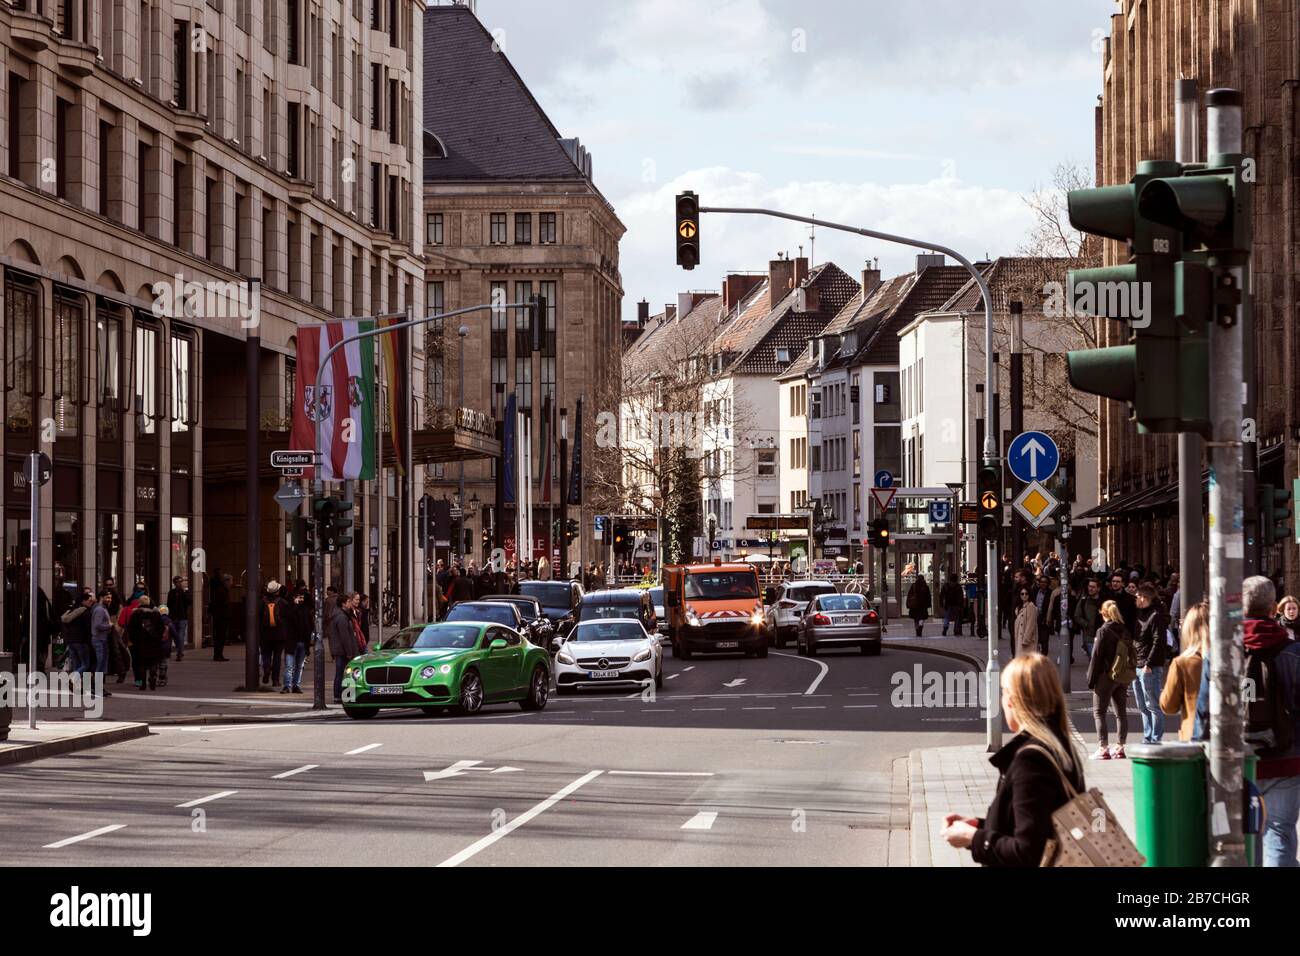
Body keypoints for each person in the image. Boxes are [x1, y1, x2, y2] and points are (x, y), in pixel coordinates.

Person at [940, 653, 1084, 866]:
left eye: (1003, 692)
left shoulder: (1031, 760)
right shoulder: (1058, 747)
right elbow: (1037, 826)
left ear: (1013, 700)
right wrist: (979, 827)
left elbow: (1029, 851)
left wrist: (974, 837)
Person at [1086, 599, 1132, 759]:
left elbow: (1096, 657)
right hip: (1121, 676)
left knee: (1099, 712)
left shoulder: (1103, 631)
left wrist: (1091, 679)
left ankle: (1103, 748)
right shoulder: (1124, 629)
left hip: (1105, 676)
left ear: (1104, 613)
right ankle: (1120, 747)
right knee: (1121, 713)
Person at [1160, 600, 1206, 742]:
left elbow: (1168, 706)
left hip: (1195, 737)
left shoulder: (1183, 663)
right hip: (1230, 741)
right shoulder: (1234, 659)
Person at [1131, 583, 1170, 744]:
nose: (1136, 599)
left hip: (1150, 666)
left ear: (1144, 597)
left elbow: (1158, 641)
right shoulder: (1141, 614)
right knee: (1142, 705)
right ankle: (1147, 737)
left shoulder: (1156, 615)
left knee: (1153, 705)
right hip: (1138, 663)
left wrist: (1148, 663)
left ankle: (1155, 738)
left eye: (1137, 596)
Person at [327, 592, 361, 703]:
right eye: (348, 602)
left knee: (342, 673)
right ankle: (344, 696)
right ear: (343, 604)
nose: (350, 603)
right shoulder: (341, 617)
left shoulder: (341, 615)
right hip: (343, 650)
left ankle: (343, 696)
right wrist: (350, 652)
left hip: (340, 649)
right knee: (345, 673)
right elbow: (345, 637)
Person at [127, 596, 164, 690]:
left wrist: (134, 640)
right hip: (154, 643)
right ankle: (153, 678)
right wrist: (158, 637)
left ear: (139, 603)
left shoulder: (135, 614)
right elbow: (161, 628)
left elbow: (131, 629)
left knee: (141, 664)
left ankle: (142, 683)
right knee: (153, 662)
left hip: (140, 644)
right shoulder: (156, 614)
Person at [282, 587, 312, 694]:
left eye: (302, 598)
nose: (301, 600)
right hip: (291, 641)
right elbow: (288, 618)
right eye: (299, 597)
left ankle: (296, 685)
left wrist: (308, 643)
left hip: (303, 642)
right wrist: (294, 605)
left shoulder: (305, 610)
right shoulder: (289, 608)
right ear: (294, 598)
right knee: (289, 665)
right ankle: (287, 685)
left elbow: (309, 626)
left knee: (299, 666)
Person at [259, 581, 289, 687]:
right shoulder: (282, 602)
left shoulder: (262, 602)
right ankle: (275, 680)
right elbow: (287, 617)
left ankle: (267, 667)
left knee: (266, 654)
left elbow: (258, 619)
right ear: (277, 591)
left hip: (265, 634)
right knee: (277, 657)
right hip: (279, 634)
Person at [61, 590, 96, 679]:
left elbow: (66, 627)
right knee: (85, 665)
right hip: (81, 641)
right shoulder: (85, 612)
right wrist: (90, 642)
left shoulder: (72, 612)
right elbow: (88, 629)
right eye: (89, 600)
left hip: (71, 641)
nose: (91, 602)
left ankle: (75, 686)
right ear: (83, 601)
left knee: (77, 665)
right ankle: (72, 678)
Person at [89, 589, 114, 698]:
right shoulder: (100, 609)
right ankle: (97, 688)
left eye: (110, 598)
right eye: (108, 597)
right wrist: (109, 626)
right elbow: (97, 625)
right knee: (100, 665)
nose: (110, 600)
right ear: (101, 597)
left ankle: (99, 688)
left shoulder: (101, 608)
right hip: (99, 640)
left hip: (101, 639)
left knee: (101, 665)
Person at [1073, 577, 1104, 658]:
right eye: (1089, 586)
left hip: (1103, 636)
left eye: (1093, 587)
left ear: (1098, 589)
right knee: (1093, 660)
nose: (1090, 589)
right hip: (1089, 636)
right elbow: (1077, 616)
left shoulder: (1104, 600)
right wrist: (1086, 624)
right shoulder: (1084, 600)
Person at [208, 570, 231, 661]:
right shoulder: (221, 590)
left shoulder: (222, 590)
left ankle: (219, 654)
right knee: (220, 637)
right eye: (230, 581)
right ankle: (218, 655)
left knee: (220, 637)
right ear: (226, 581)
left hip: (221, 616)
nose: (230, 584)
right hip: (221, 617)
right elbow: (219, 605)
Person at [166, 575, 190, 661]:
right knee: (175, 636)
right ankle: (179, 650)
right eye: (178, 582)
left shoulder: (185, 592)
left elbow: (189, 602)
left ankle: (179, 653)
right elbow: (168, 605)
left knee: (180, 636)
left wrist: (184, 592)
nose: (179, 583)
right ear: (174, 583)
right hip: (173, 617)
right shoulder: (171, 593)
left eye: (181, 582)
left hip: (182, 617)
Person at [1013, 585, 1038, 659]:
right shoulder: (1020, 607)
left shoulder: (1031, 606)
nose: (1024, 595)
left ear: (1029, 595)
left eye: (1026, 593)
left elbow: (1031, 624)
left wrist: (1026, 640)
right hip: (1020, 639)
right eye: (1022, 594)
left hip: (1026, 641)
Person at [939, 573, 965, 637]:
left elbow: (941, 595)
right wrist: (961, 605)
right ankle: (956, 630)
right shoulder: (958, 586)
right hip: (956, 604)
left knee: (946, 617)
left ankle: (945, 628)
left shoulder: (946, 585)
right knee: (957, 618)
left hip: (947, 604)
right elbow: (961, 597)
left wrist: (941, 603)